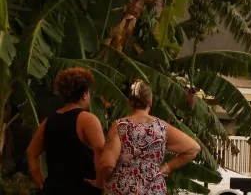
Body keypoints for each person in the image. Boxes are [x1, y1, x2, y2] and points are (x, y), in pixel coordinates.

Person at [99, 80, 200, 195]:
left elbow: (107, 164)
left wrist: (99, 181)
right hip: (154, 190)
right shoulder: (161, 127)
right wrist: (167, 167)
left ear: (130, 102)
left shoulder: (119, 126)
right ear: (150, 102)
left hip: (121, 190)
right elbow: (194, 148)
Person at [26, 67, 106, 195]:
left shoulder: (48, 122)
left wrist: (42, 184)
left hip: (54, 189)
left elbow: (31, 153)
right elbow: (101, 151)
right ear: (85, 94)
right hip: (82, 189)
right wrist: (100, 183)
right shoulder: (87, 119)